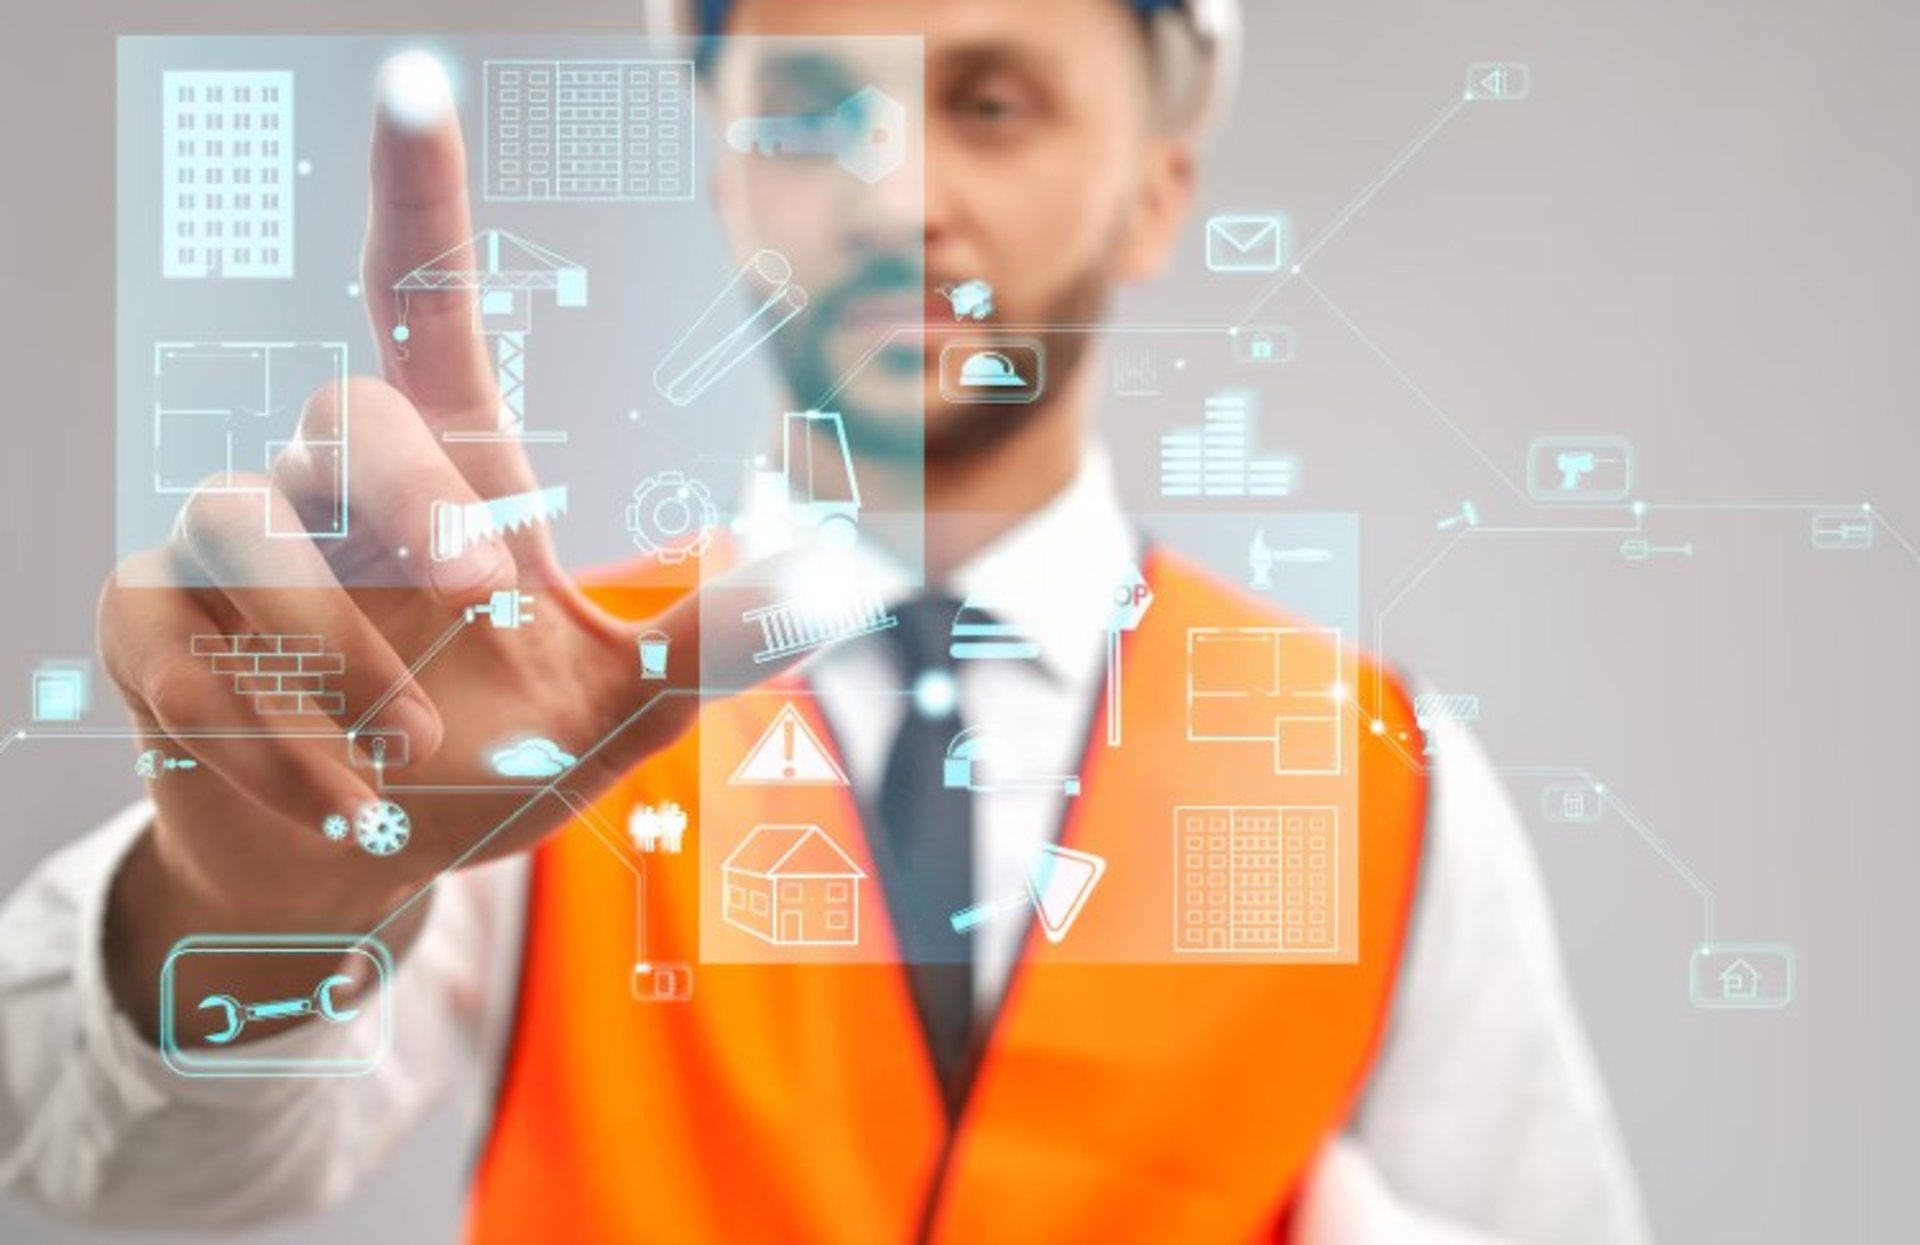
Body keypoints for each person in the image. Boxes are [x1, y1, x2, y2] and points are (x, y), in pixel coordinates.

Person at [0, 1, 1650, 1241]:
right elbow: (103, 1167)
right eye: (810, 117)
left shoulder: (1382, 778)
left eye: (992, 104)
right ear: (721, 171)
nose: (896, 196)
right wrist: (251, 905)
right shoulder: (508, 689)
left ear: (1156, 190)